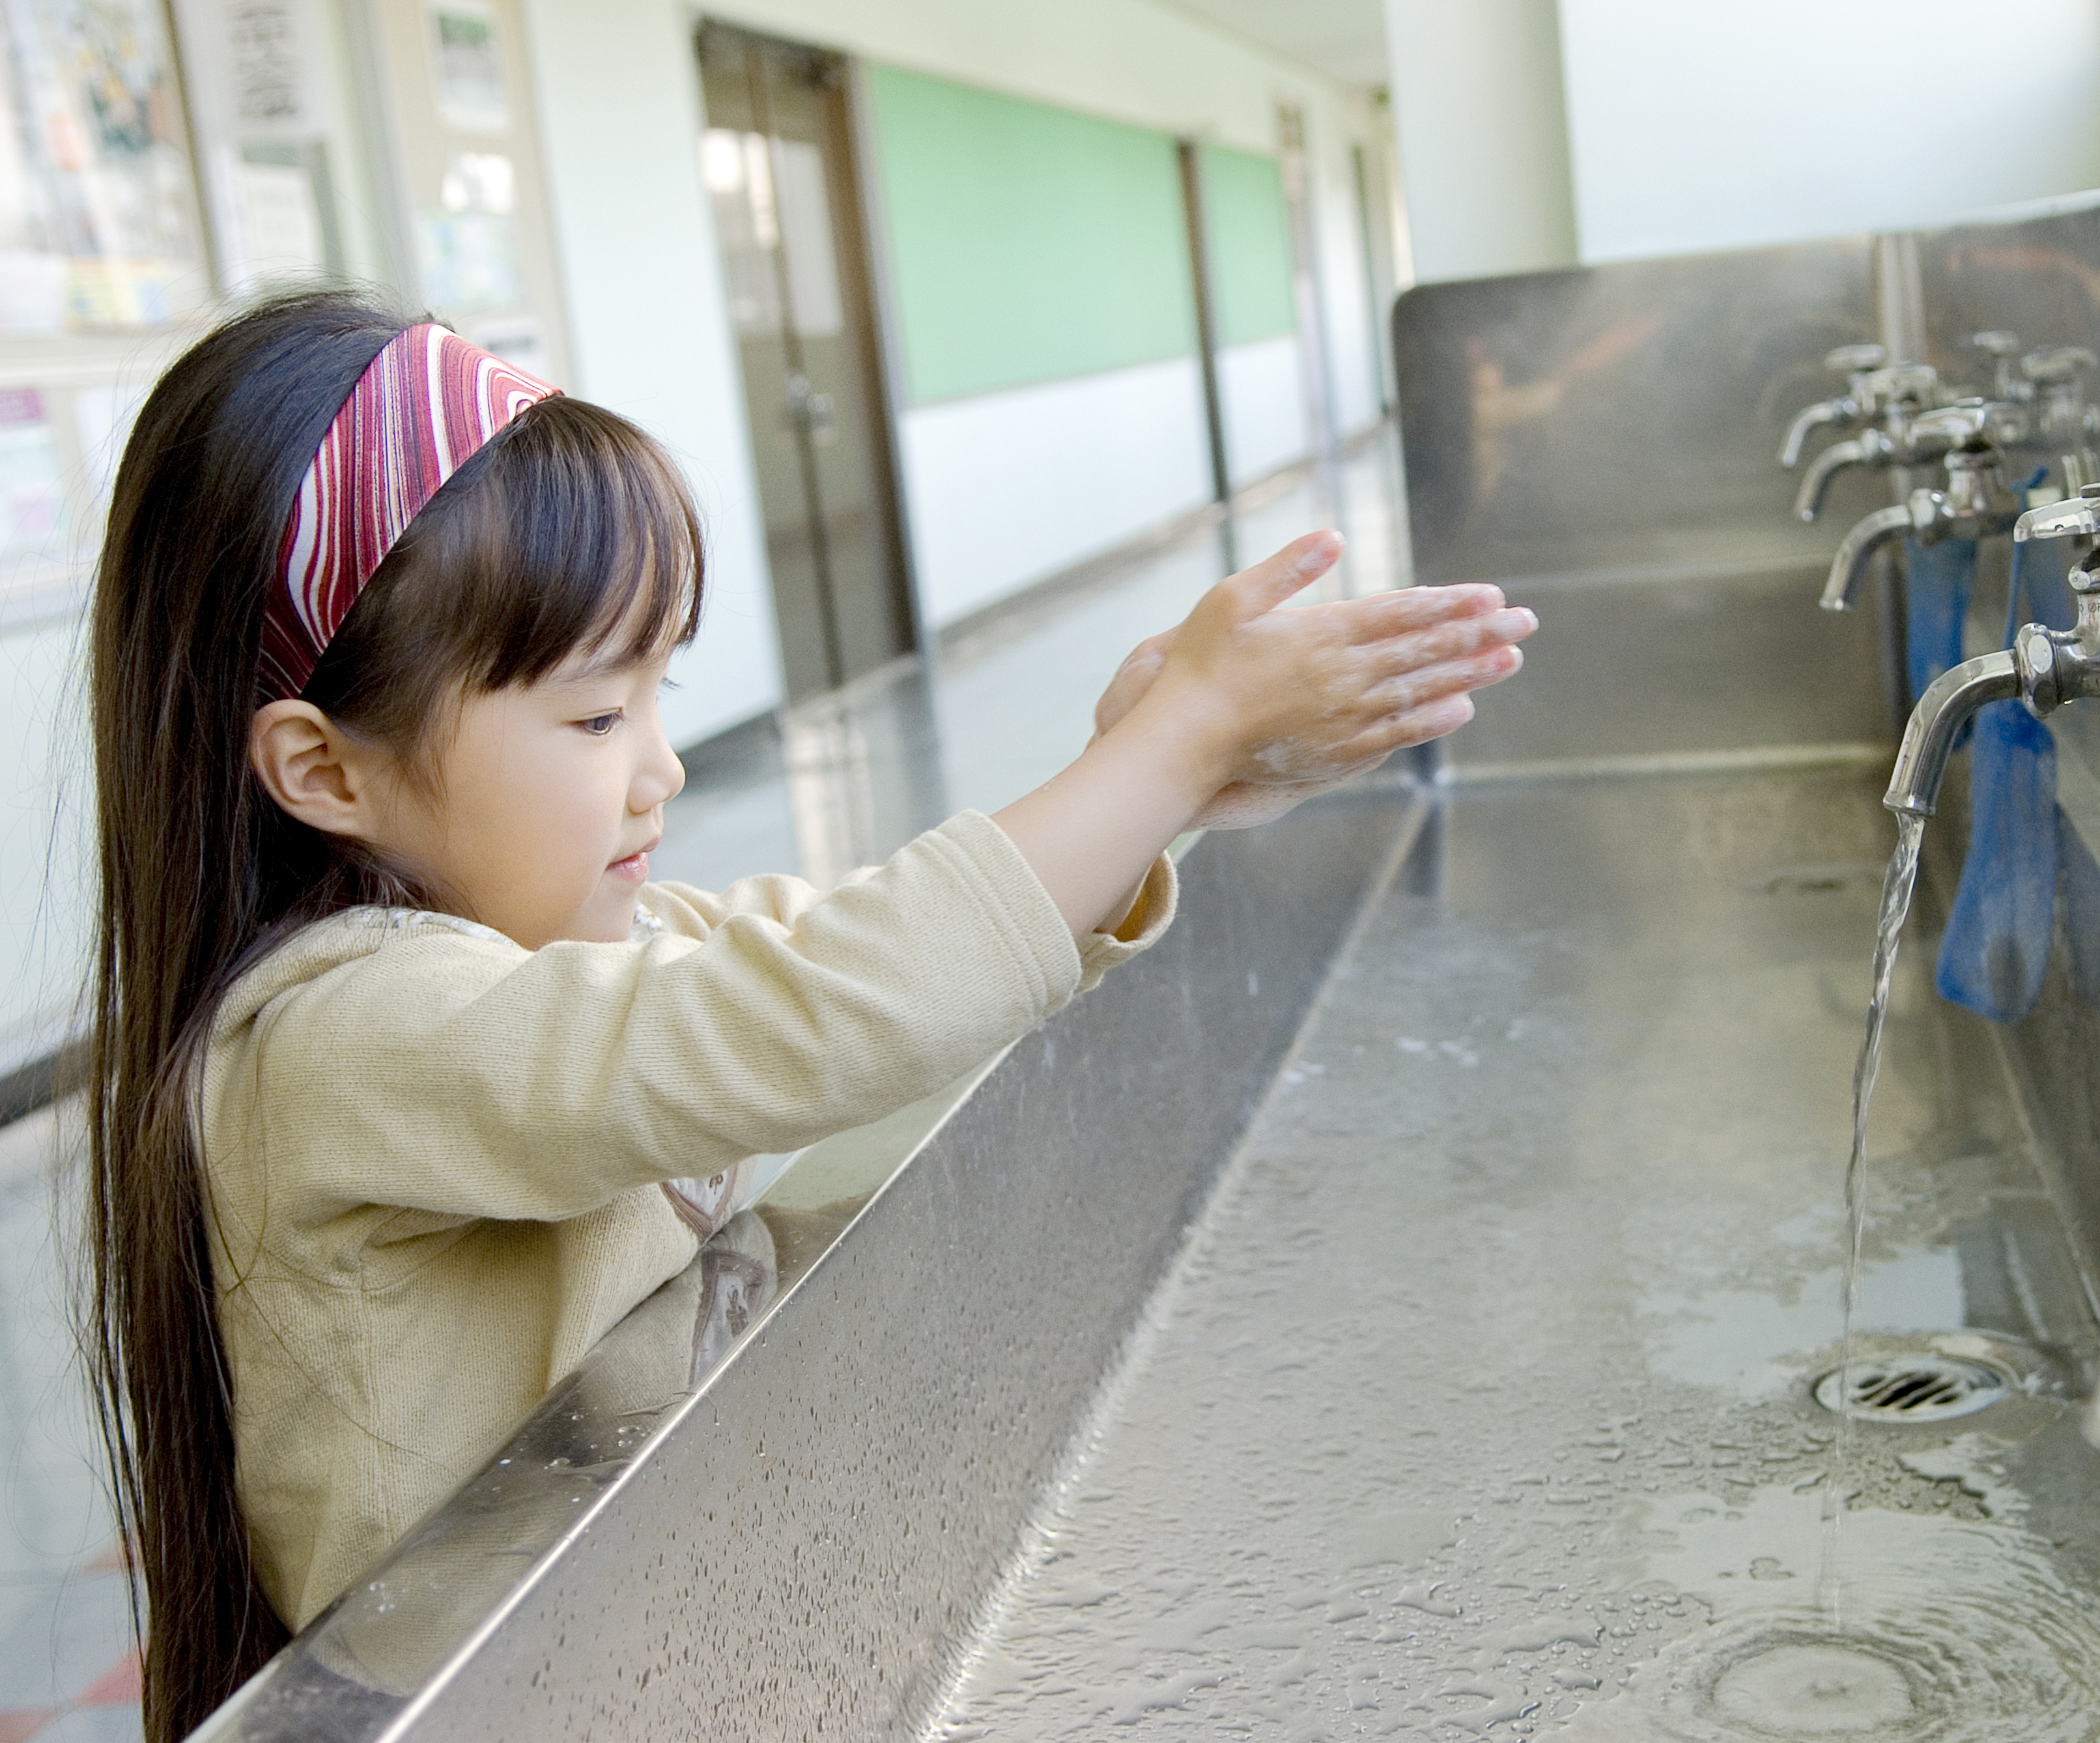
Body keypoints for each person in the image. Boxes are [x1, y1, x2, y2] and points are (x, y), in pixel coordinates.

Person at [82, 292, 1535, 1740]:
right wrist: (1164, 753)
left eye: (662, 698)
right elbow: (796, 1016)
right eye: (596, 719)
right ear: (325, 772)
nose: (661, 772)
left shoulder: (542, 953)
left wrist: (1142, 790)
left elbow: (836, 952)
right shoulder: (339, 1038)